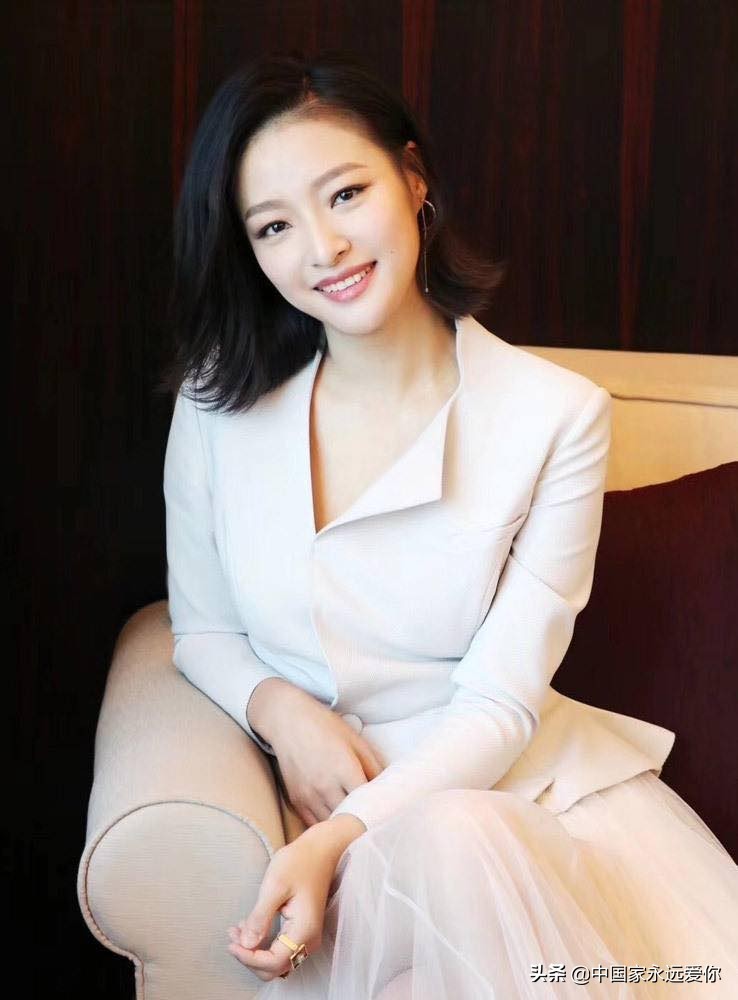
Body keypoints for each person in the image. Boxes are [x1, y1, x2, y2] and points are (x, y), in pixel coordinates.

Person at [160, 51, 738, 998]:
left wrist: (343, 837)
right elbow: (202, 631)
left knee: (456, 843)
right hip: (320, 800)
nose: (322, 247)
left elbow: (502, 702)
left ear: (414, 179)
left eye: (346, 194)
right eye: (274, 226)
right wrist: (284, 712)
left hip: (511, 801)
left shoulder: (556, 416)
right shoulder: (217, 409)